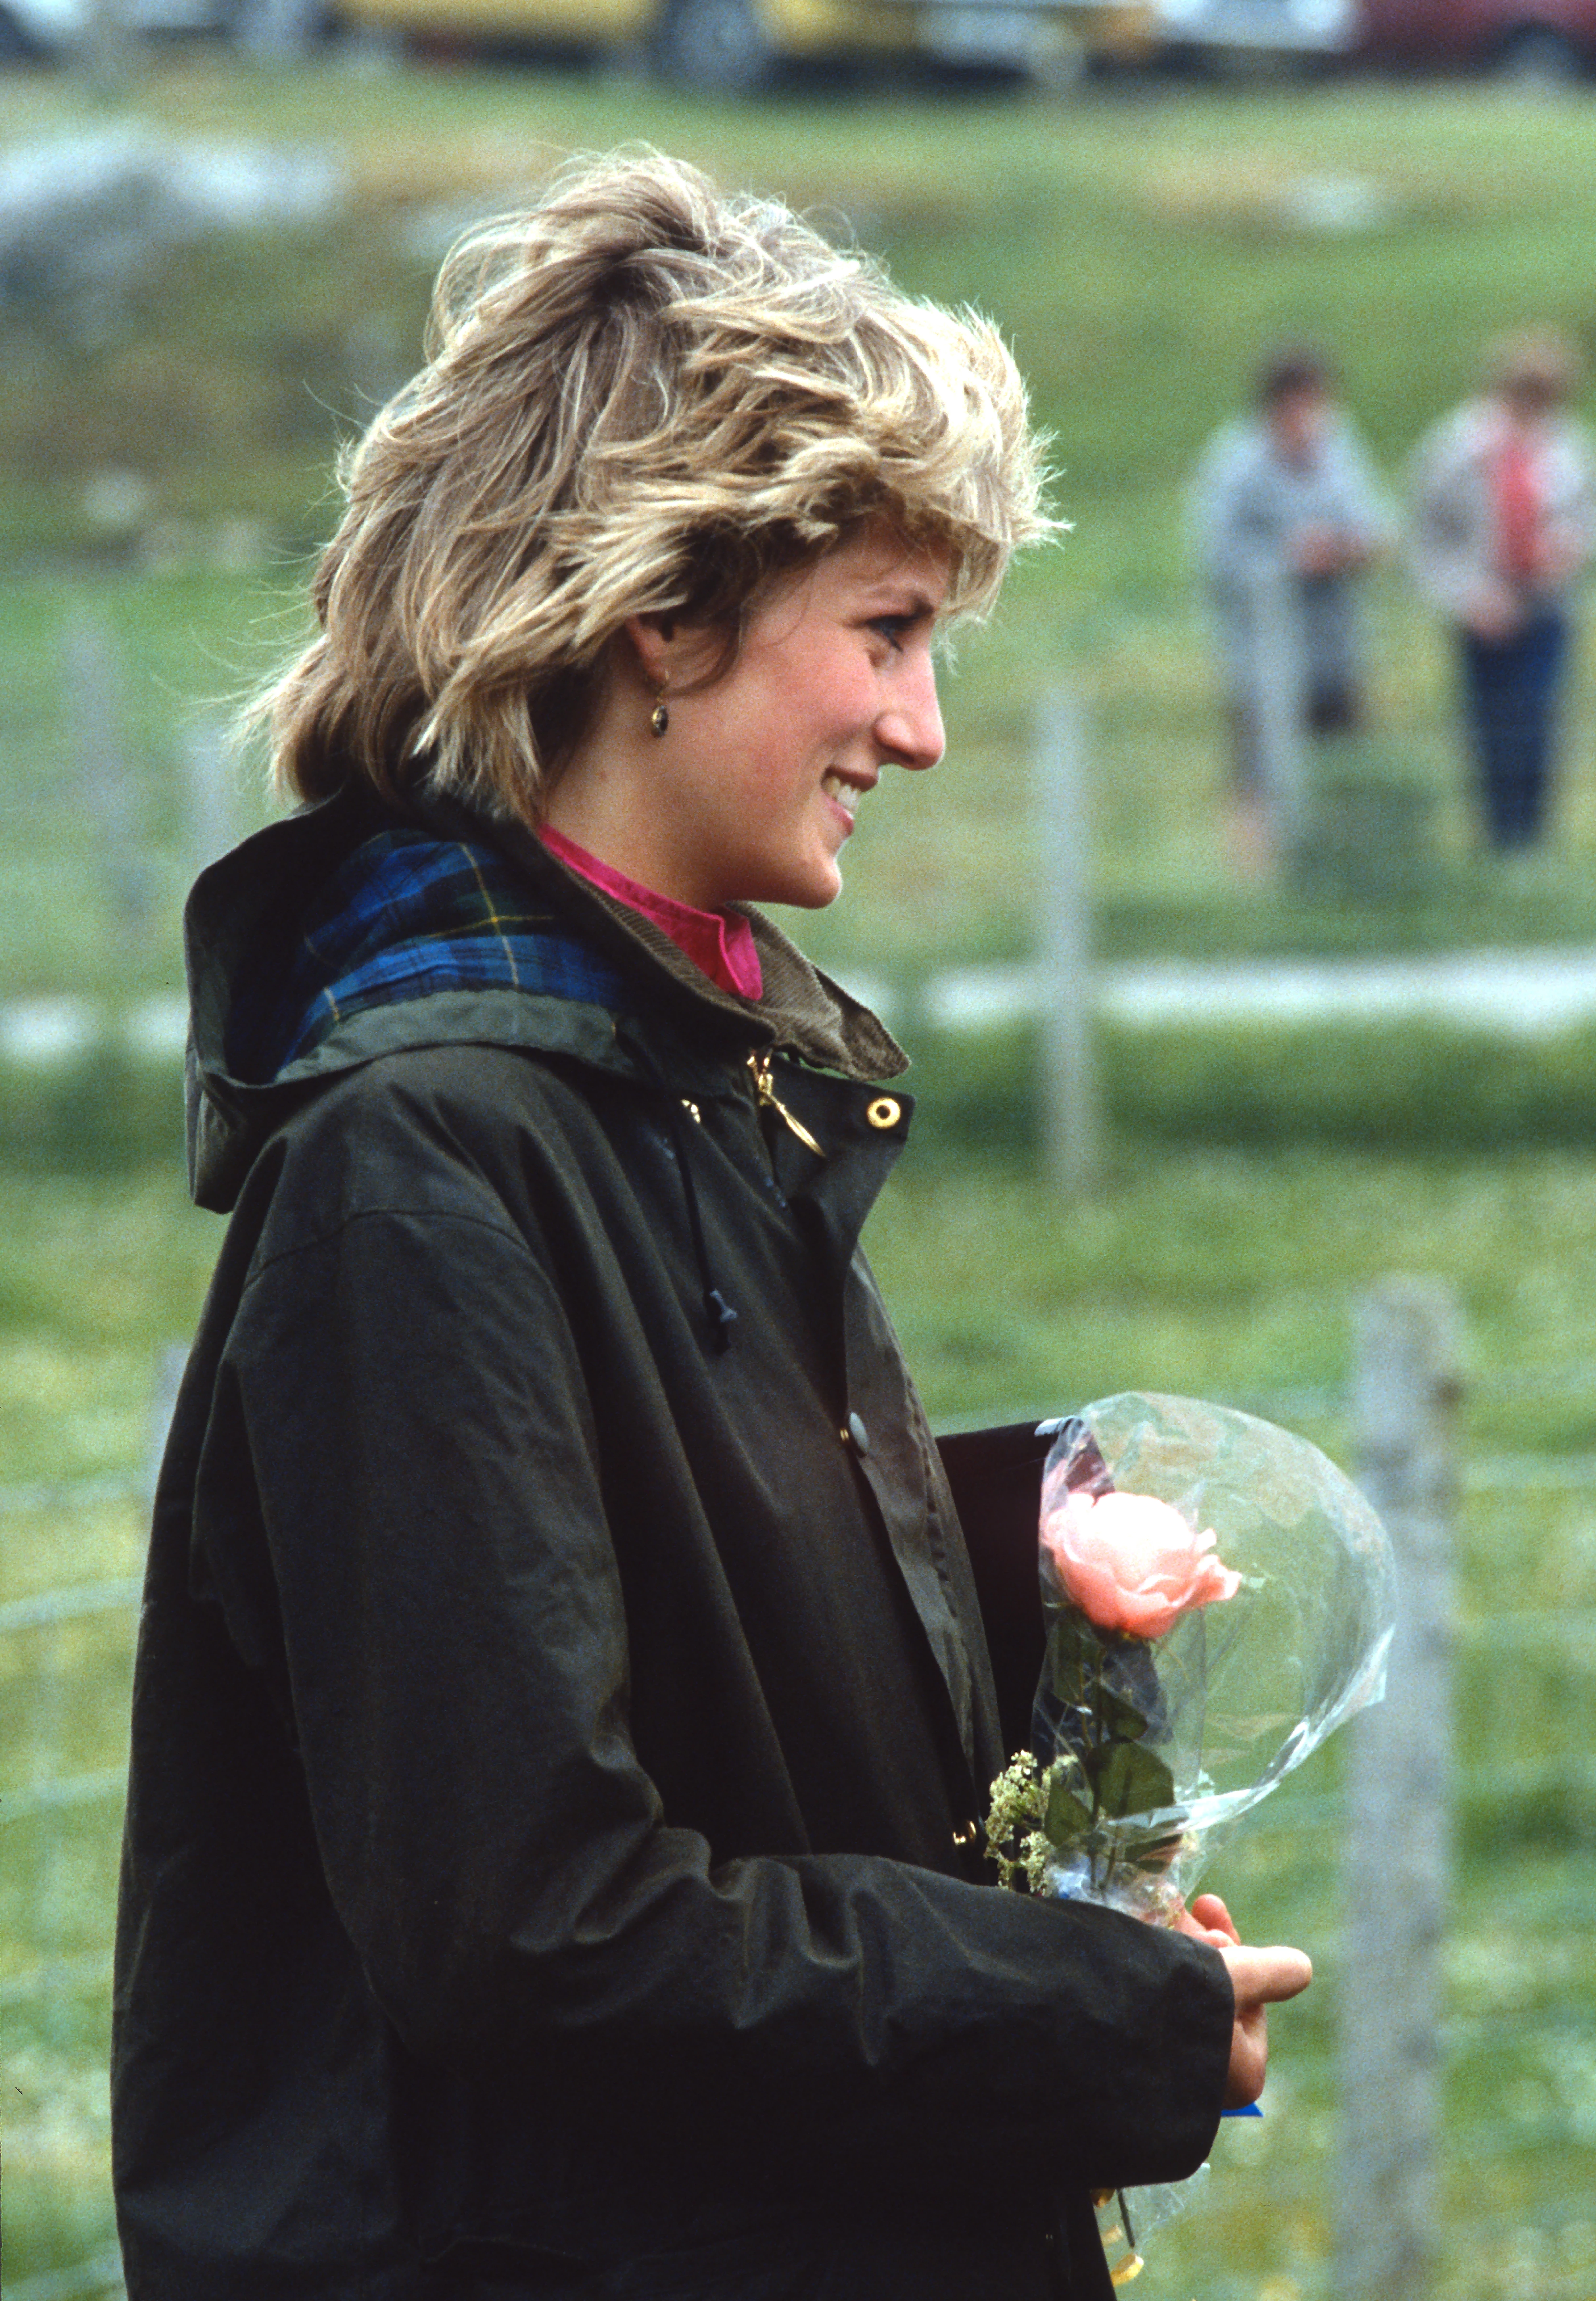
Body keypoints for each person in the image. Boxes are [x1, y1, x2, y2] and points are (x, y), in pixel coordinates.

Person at [111, 152, 1312, 2301]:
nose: (921, 731)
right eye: (883, 632)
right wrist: (1068, 2016)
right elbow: (537, 1923)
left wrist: (1008, 1567)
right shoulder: (420, 1161)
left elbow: (653, 1630)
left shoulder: (690, 1079)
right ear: (661, 615)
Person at [1191, 345, 1395, 869]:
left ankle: (1342, 875)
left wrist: (1349, 547)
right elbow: (1217, 556)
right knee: (1259, 774)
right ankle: (1261, 884)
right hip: (1263, 658)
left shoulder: (1339, 449)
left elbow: (1377, 526)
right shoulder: (1236, 465)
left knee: (1345, 764)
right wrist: (1290, 558)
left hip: (1335, 653)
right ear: (1278, 407)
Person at [1409, 327, 1595, 852]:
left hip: (1545, 605)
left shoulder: (1567, 447)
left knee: (1539, 723)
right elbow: (1427, 540)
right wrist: (1468, 596)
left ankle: (1532, 845)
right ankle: (1496, 844)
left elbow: (1586, 518)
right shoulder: (1455, 450)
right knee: (1490, 729)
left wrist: (1570, 546)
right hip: (1483, 608)